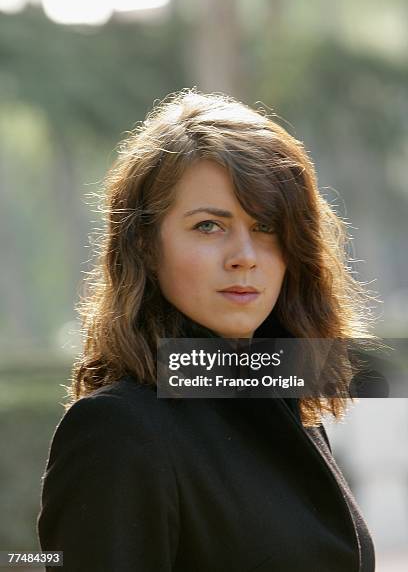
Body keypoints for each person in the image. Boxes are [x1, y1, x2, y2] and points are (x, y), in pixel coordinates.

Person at [37, 89, 376, 571]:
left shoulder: (282, 401)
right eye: (208, 227)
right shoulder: (118, 432)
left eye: (265, 226)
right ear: (145, 244)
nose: (245, 255)